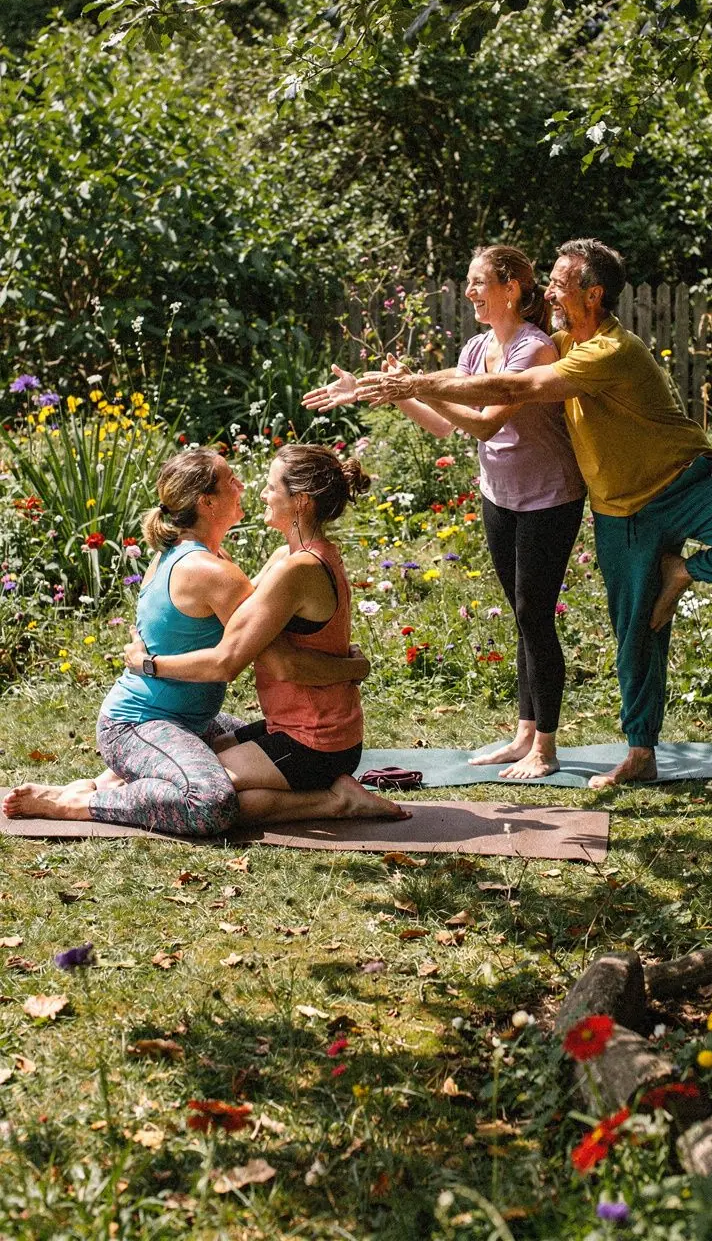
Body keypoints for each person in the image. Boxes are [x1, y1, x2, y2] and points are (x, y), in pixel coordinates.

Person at [351, 239, 712, 789]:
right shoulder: (561, 342)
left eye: (560, 282)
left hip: (689, 480)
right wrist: (394, 387)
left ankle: (679, 574)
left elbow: (518, 387)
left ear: (592, 293)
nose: (550, 290)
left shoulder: (611, 351)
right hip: (621, 511)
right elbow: (487, 384)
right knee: (637, 631)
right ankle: (642, 753)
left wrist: (414, 383)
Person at [4, 447, 403, 832]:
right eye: (233, 480)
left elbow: (247, 655)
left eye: (269, 486)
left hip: (262, 727)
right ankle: (93, 794)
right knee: (207, 792)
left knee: (210, 789)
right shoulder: (252, 564)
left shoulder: (214, 560)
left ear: (300, 502)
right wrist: (354, 666)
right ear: (206, 501)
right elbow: (253, 646)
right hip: (154, 720)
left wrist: (356, 666)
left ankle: (99, 789)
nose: (251, 488)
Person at [305, 245, 585, 778]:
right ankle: (524, 734)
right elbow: (443, 422)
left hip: (551, 497)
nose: (470, 292)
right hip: (499, 495)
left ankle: (545, 748)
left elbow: (483, 423)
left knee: (534, 616)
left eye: (480, 282)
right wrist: (381, 392)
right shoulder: (478, 348)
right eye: (469, 282)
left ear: (512, 288)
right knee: (524, 619)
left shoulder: (535, 349)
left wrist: (415, 386)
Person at [121, 443, 409, 824]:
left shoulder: (300, 569)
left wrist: (148, 663)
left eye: (272, 486)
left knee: (201, 793)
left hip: (314, 740)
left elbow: (237, 658)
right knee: (185, 763)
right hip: (294, 726)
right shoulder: (287, 558)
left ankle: (336, 801)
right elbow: (238, 617)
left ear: (301, 502)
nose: (260, 492)